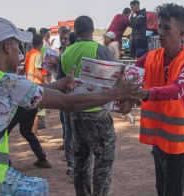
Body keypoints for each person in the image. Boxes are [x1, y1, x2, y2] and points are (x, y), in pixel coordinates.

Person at [0, 16, 142, 196]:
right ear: (7, 46)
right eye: (18, 45)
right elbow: (69, 103)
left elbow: (29, 92)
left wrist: (62, 83)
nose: (20, 51)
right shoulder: (5, 82)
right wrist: (114, 93)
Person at [120, 3, 184, 195]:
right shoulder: (149, 58)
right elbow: (130, 78)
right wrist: (128, 98)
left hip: (179, 144)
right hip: (158, 139)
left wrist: (142, 95)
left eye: (167, 28)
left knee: (172, 190)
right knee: (161, 188)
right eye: (159, 27)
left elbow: (176, 90)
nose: (161, 32)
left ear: (182, 34)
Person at [61, 15, 118, 196]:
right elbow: (116, 77)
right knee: (103, 159)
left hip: (75, 112)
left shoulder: (65, 53)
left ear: (75, 31)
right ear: (93, 31)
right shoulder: (100, 50)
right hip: (96, 113)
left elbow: (62, 83)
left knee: (80, 159)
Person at [56, 27, 74, 177]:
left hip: (74, 99)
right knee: (69, 131)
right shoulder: (61, 54)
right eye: (62, 38)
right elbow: (59, 79)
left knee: (71, 131)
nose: (63, 41)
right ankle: (71, 165)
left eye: (66, 38)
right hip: (67, 98)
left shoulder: (66, 54)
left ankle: (72, 164)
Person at [24, 34, 48, 142]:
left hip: (28, 82)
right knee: (37, 112)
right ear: (42, 43)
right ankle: (35, 134)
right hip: (36, 83)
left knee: (31, 110)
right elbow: (38, 72)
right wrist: (45, 82)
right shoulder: (38, 55)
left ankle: (32, 133)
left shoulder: (29, 53)